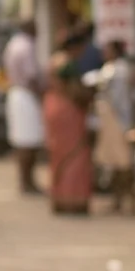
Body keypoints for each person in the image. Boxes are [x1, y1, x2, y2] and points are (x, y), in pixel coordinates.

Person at [43, 27, 95, 215]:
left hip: (53, 106)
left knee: (58, 154)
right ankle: (74, 199)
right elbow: (74, 91)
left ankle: (60, 198)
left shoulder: (54, 61)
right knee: (76, 153)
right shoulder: (68, 65)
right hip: (68, 110)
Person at [92, 39, 135, 212]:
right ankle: (118, 201)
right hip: (110, 120)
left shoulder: (119, 71)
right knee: (114, 163)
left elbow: (120, 101)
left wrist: (124, 123)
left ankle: (130, 201)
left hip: (118, 120)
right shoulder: (111, 69)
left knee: (123, 162)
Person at [3, 19, 45, 195]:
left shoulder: (13, 44)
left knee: (23, 140)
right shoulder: (26, 47)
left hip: (16, 94)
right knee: (28, 140)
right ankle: (27, 181)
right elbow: (31, 76)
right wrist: (41, 95)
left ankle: (25, 181)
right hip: (26, 95)